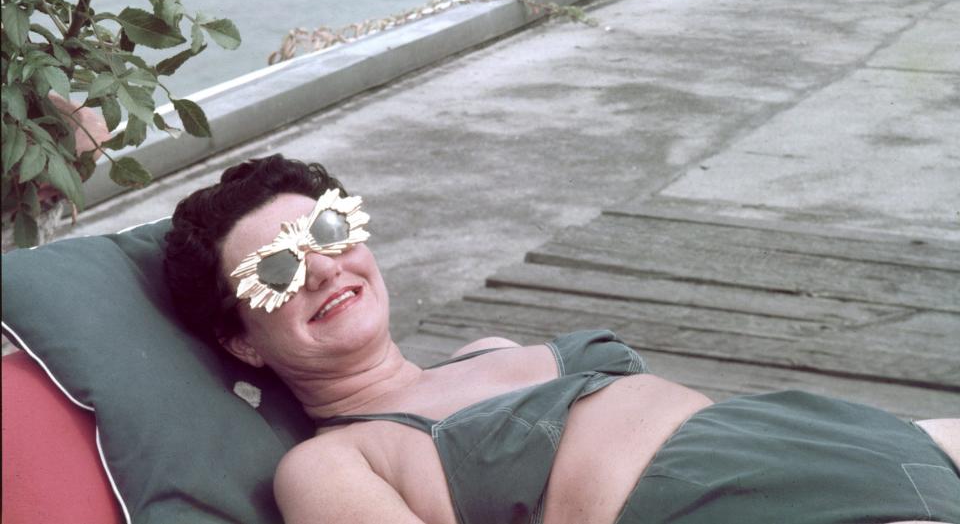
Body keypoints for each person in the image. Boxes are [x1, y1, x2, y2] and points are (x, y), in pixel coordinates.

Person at [164, 155, 960, 524]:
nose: (323, 269)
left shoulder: (487, 343)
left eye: (328, 230)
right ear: (241, 342)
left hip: (809, 433)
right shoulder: (332, 463)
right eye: (276, 266)